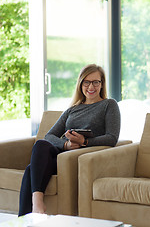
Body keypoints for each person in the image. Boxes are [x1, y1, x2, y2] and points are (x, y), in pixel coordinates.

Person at [18, 64, 121, 216]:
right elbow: (49, 135)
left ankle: (33, 210)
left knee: (30, 169)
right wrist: (65, 145)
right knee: (40, 145)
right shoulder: (72, 109)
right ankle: (35, 207)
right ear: (80, 84)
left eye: (95, 82)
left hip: (82, 158)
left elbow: (112, 138)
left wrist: (84, 142)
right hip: (63, 154)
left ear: (102, 84)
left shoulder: (109, 105)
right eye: (86, 82)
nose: (91, 86)